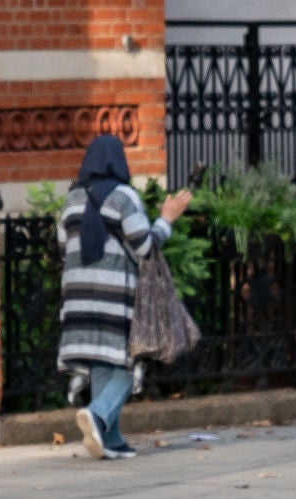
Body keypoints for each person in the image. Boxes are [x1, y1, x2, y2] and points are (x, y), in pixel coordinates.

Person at [56, 134, 193, 459]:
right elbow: (145, 247)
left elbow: (63, 248)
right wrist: (167, 219)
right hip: (115, 295)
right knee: (126, 360)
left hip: (76, 296)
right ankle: (100, 415)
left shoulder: (72, 199)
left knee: (103, 359)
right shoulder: (124, 197)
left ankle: (111, 438)